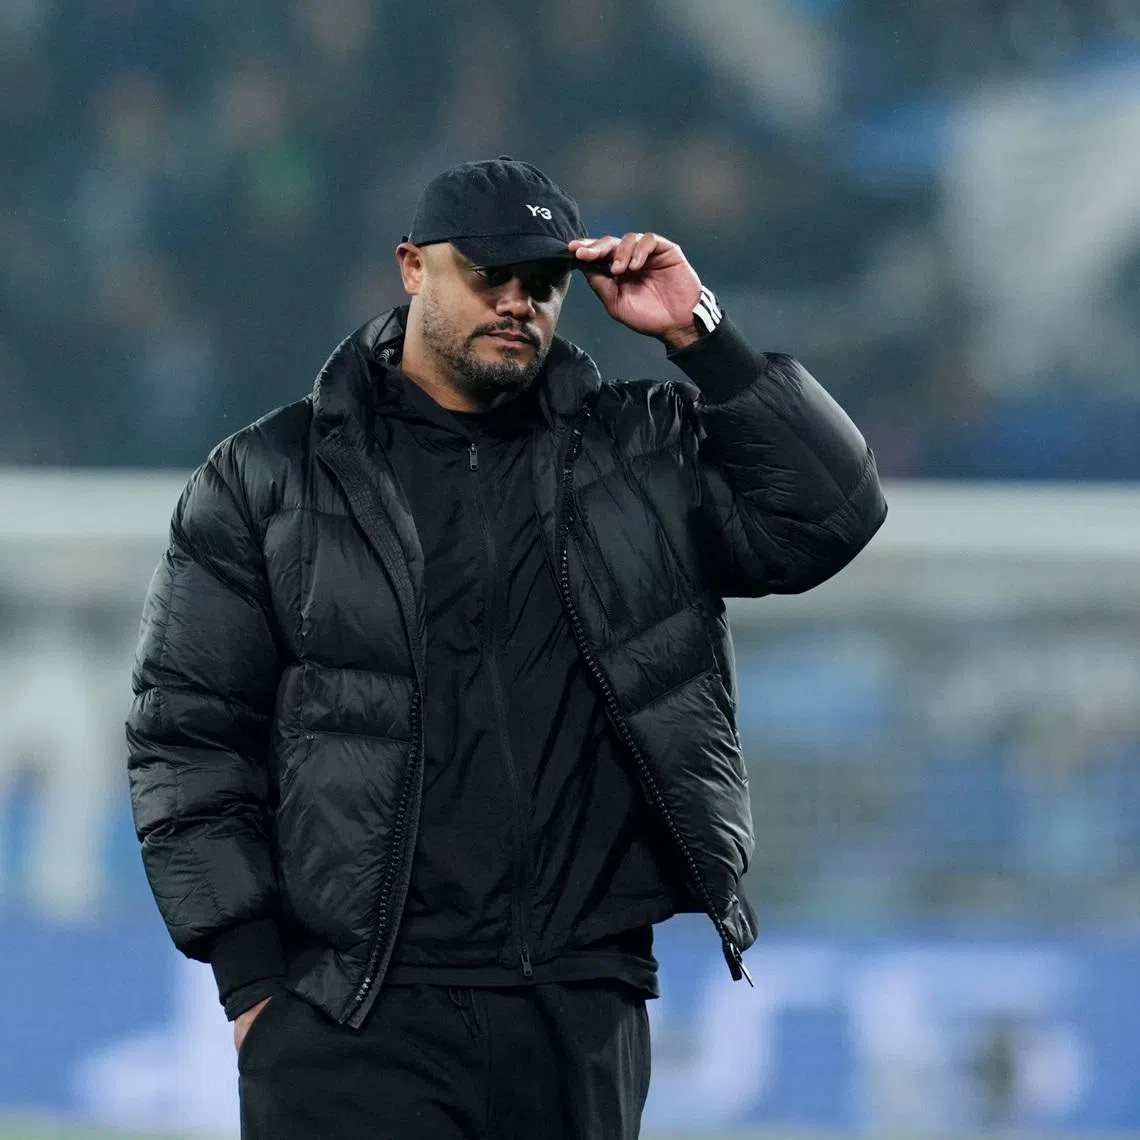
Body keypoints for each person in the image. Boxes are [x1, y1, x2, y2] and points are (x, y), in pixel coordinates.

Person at [126, 156, 887, 1139]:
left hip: (576, 1012)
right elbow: (187, 734)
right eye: (490, 276)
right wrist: (253, 985)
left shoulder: (640, 453)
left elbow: (833, 514)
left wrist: (703, 333)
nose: (518, 303)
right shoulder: (271, 478)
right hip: (352, 1007)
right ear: (412, 268)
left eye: (542, 285)